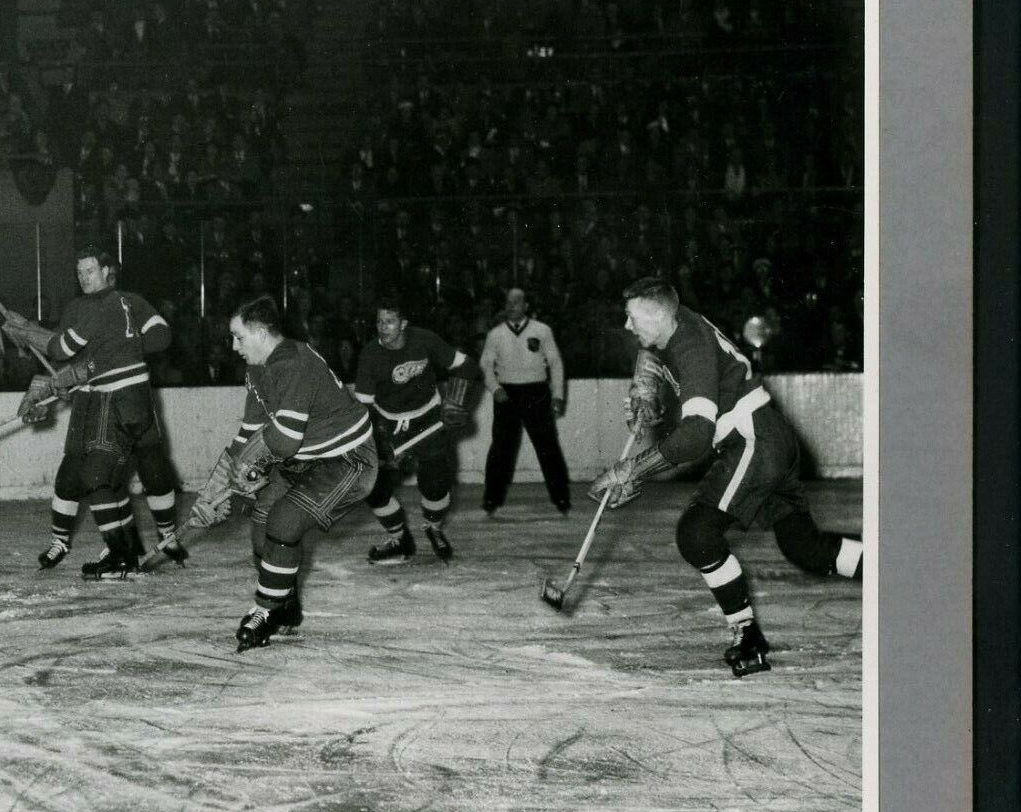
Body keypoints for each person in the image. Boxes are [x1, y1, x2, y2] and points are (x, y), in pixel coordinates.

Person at [591, 277, 866, 676]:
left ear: (657, 315)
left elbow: (695, 437)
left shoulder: (691, 348)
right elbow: (650, 352)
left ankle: (747, 635)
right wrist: (644, 389)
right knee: (805, 549)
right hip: (771, 438)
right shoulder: (676, 325)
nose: (628, 326)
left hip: (753, 440)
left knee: (696, 533)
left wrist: (633, 470)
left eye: (632, 318)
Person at [186, 295, 378, 653]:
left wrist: (244, 475)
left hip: (347, 459)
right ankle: (286, 606)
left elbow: (285, 441)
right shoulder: (258, 368)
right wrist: (217, 484)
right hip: (303, 459)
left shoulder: (291, 362)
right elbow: (250, 432)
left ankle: (265, 610)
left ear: (260, 332)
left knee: (283, 523)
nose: (233, 346)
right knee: (261, 530)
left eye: (238, 337)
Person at [3, 247, 186, 579]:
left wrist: (108, 355)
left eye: (90, 270)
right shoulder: (78, 307)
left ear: (107, 271)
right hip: (93, 398)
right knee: (83, 471)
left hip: (119, 394)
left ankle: (155, 540)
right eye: (79, 272)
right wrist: (59, 377)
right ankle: (100, 544)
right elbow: (62, 355)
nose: (83, 277)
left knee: (142, 468)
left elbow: (160, 337)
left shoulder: (127, 301)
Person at [352, 297, 481, 564]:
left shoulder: (424, 339)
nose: (382, 328)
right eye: (379, 321)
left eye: (389, 322)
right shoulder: (370, 354)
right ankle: (400, 540)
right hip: (389, 424)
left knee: (436, 483)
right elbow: (364, 407)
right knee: (372, 487)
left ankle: (433, 528)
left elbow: (467, 365)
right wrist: (379, 442)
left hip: (429, 419)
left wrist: (457, 399)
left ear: (404, 324)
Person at [479, 286, 571, 516]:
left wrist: (558, 396)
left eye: (517, 302)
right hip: (506, 393)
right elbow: (485, 366)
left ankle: (561, 499)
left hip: (536, 392)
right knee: (501, 448)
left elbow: (556, 363)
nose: (512, 306)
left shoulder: (542, 331)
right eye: (509, 302)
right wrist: (495, 388)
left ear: (526, 306)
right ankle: (492, 499)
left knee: (547, 446)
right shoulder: (495, 334)